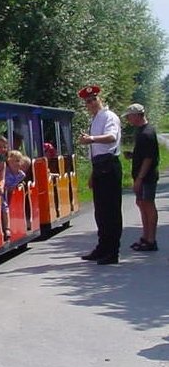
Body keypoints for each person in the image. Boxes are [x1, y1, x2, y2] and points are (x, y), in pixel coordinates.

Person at [77, 85, 122, 265]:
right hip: (99, 166)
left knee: (111, 211)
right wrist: (92, 173)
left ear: (99, 99)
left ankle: (112, 252)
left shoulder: (109, 116)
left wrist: (92, 139)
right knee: (101, 211)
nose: (91, 104)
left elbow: (111, 137)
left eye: (93, 99)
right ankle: (103, 247)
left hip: (109, 164)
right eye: (88, 102)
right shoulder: (95, 119)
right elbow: (94, 150)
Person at [123, 103, 159, 252]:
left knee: (148, 205)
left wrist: (139, 179)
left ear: (138, 115)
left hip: (147, 177)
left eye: (130, 116)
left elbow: (149, 158)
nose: (128, 119)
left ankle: (151, 240)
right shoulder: (140, 132)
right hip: (141, 175)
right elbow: (143, 154)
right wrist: (133, 155)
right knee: (141, 204)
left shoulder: (147, 133)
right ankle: (145, 237)